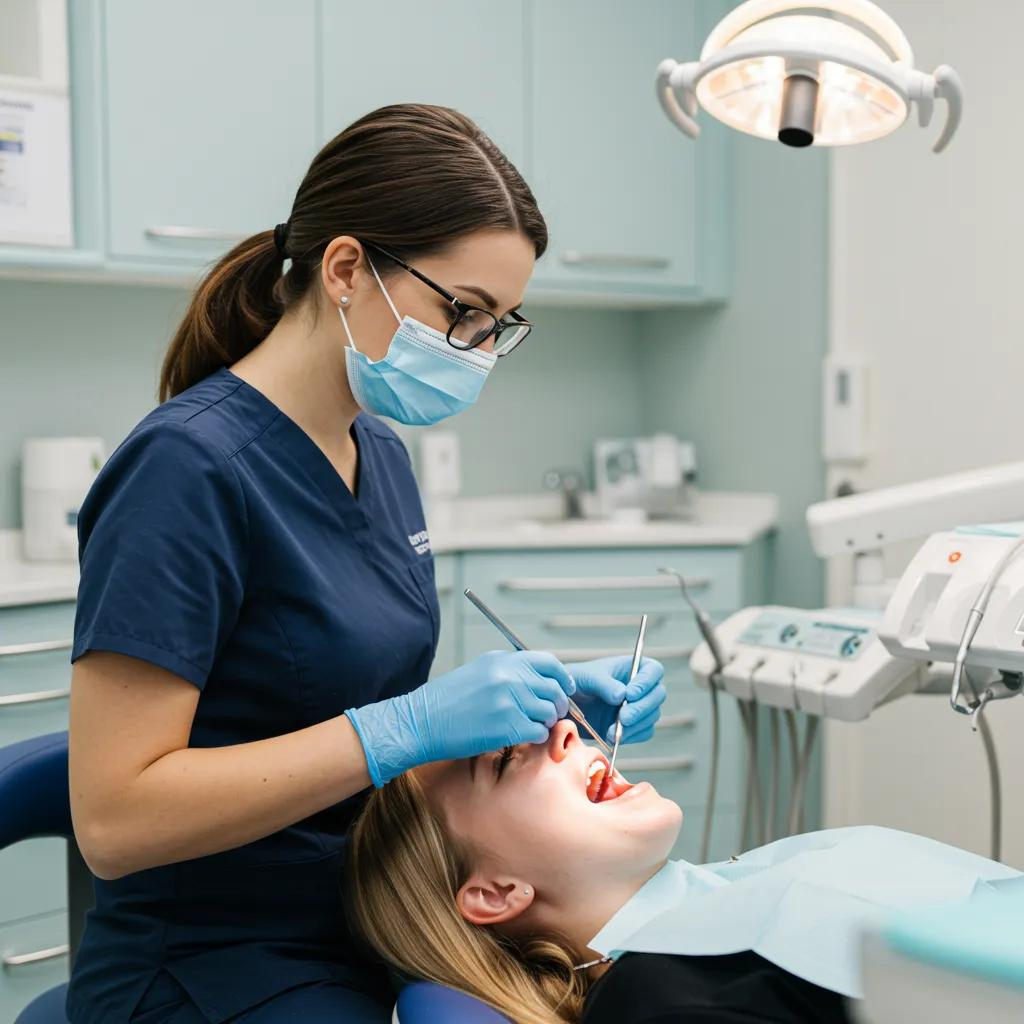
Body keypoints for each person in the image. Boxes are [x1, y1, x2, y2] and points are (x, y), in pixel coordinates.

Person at [66, 103, 667, 1024]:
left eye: (499, 323)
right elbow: (115, 823)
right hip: (209, 960)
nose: (475, 349)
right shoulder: (185, 470)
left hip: (368, 917)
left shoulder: (375, 450)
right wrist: (401, 729)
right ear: (347, 269)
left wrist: (510, 722)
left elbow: (333, 712)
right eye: (463, 311)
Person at [347, 718, 861, 1024]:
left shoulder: (721, 917)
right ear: (497, 892)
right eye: (504, 758)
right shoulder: (660, 1002)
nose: (566, 728)